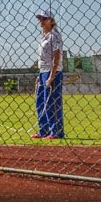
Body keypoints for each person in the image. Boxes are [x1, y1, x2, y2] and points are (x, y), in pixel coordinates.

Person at [33, 10, 65, 139]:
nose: (41, 21)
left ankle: (56, 131)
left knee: (51, 102)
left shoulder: (54, 35)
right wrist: (40, 74)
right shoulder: (43, 36)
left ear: (51, 20)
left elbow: (56, 57)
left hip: (53, 71)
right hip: (43, 72)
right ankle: (43, 130)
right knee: (41, 102)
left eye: (44, 18)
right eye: (40, 18)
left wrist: (52, 76)